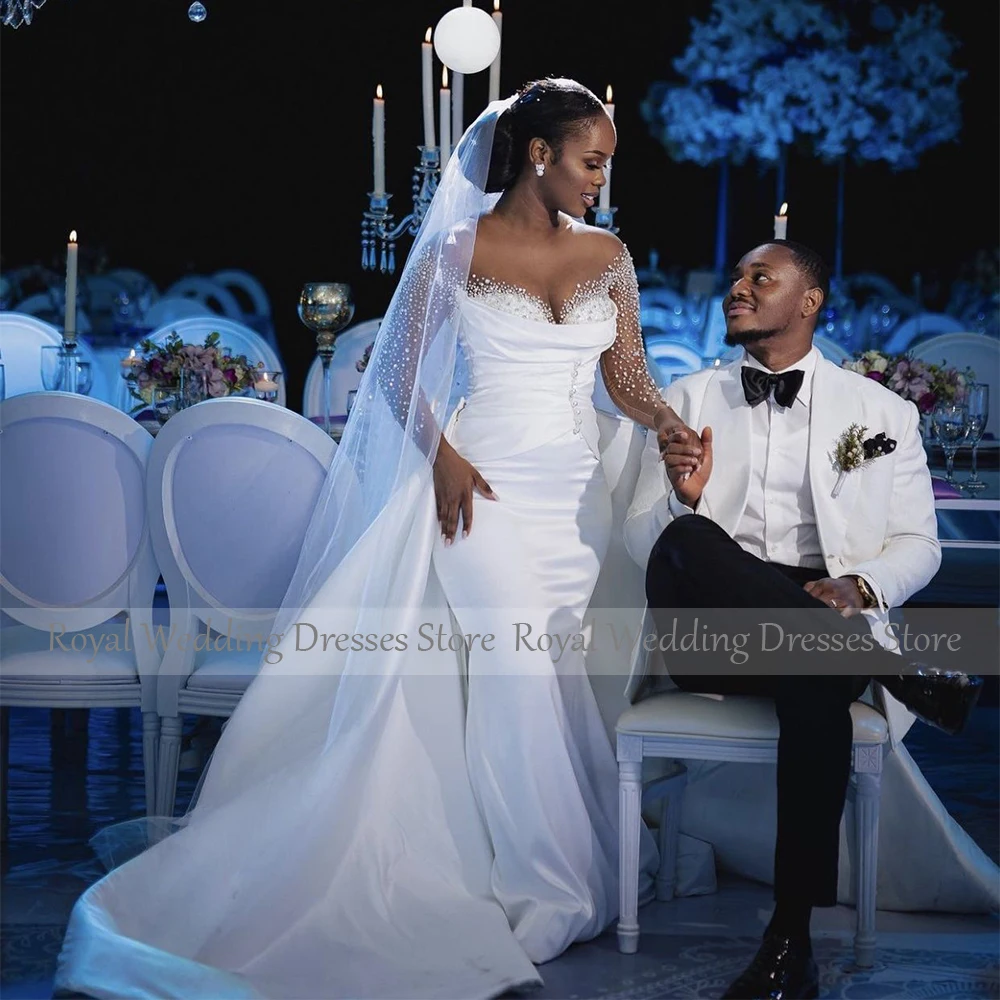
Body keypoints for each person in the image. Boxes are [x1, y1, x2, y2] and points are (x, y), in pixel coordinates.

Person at [55, 79, 689, 999]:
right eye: (592, 161)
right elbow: (395, 370)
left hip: (570, 500)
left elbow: (625, 377)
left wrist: (667, 419)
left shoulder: (610, 254)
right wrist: (441, 456)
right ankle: (547, 886)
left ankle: (542, 857)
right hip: (481, 488)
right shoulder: (456, 250)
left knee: (546, 670)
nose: (602, 180)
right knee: (513, 666)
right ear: (542, 154)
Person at [624, 239, 983, 1000]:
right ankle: (899, 674)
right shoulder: (686, 398)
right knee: (689, 538)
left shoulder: (880, 413)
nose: (738, 288)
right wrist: (680, 501)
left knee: (816, 671)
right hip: (713, 626)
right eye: (736, 277)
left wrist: (859, 582)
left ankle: (789, 943)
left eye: (762, 278)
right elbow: (638, 544)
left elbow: (921, 545)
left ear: (810, 300)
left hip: (827, 613)